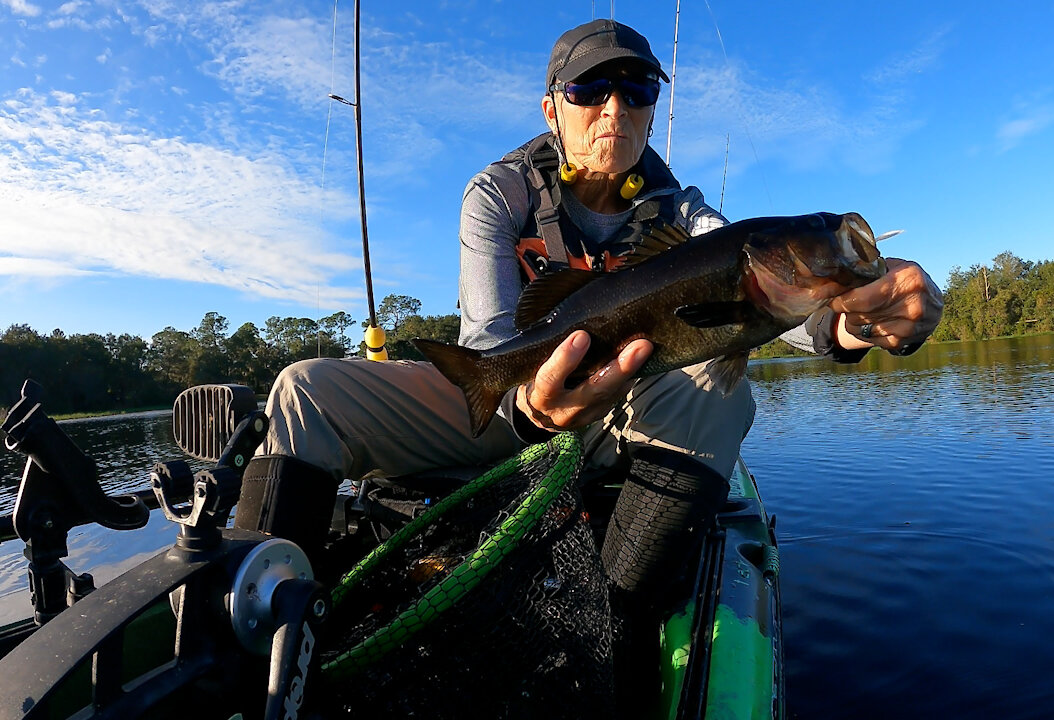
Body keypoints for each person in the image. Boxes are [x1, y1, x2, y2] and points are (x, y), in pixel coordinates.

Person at [234, 17, 942, 600]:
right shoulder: (499, 193)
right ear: (552, 108)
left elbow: (773, 306)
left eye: (636, 89)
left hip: (622, 416)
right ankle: (255, 619)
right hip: (512, 395)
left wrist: (854, 323)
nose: (616, 107)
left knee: (717, 398)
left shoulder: (688, 212)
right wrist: (531, 409)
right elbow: (489, 343)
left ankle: (618, 622)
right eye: (590, 88)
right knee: (306, 389)